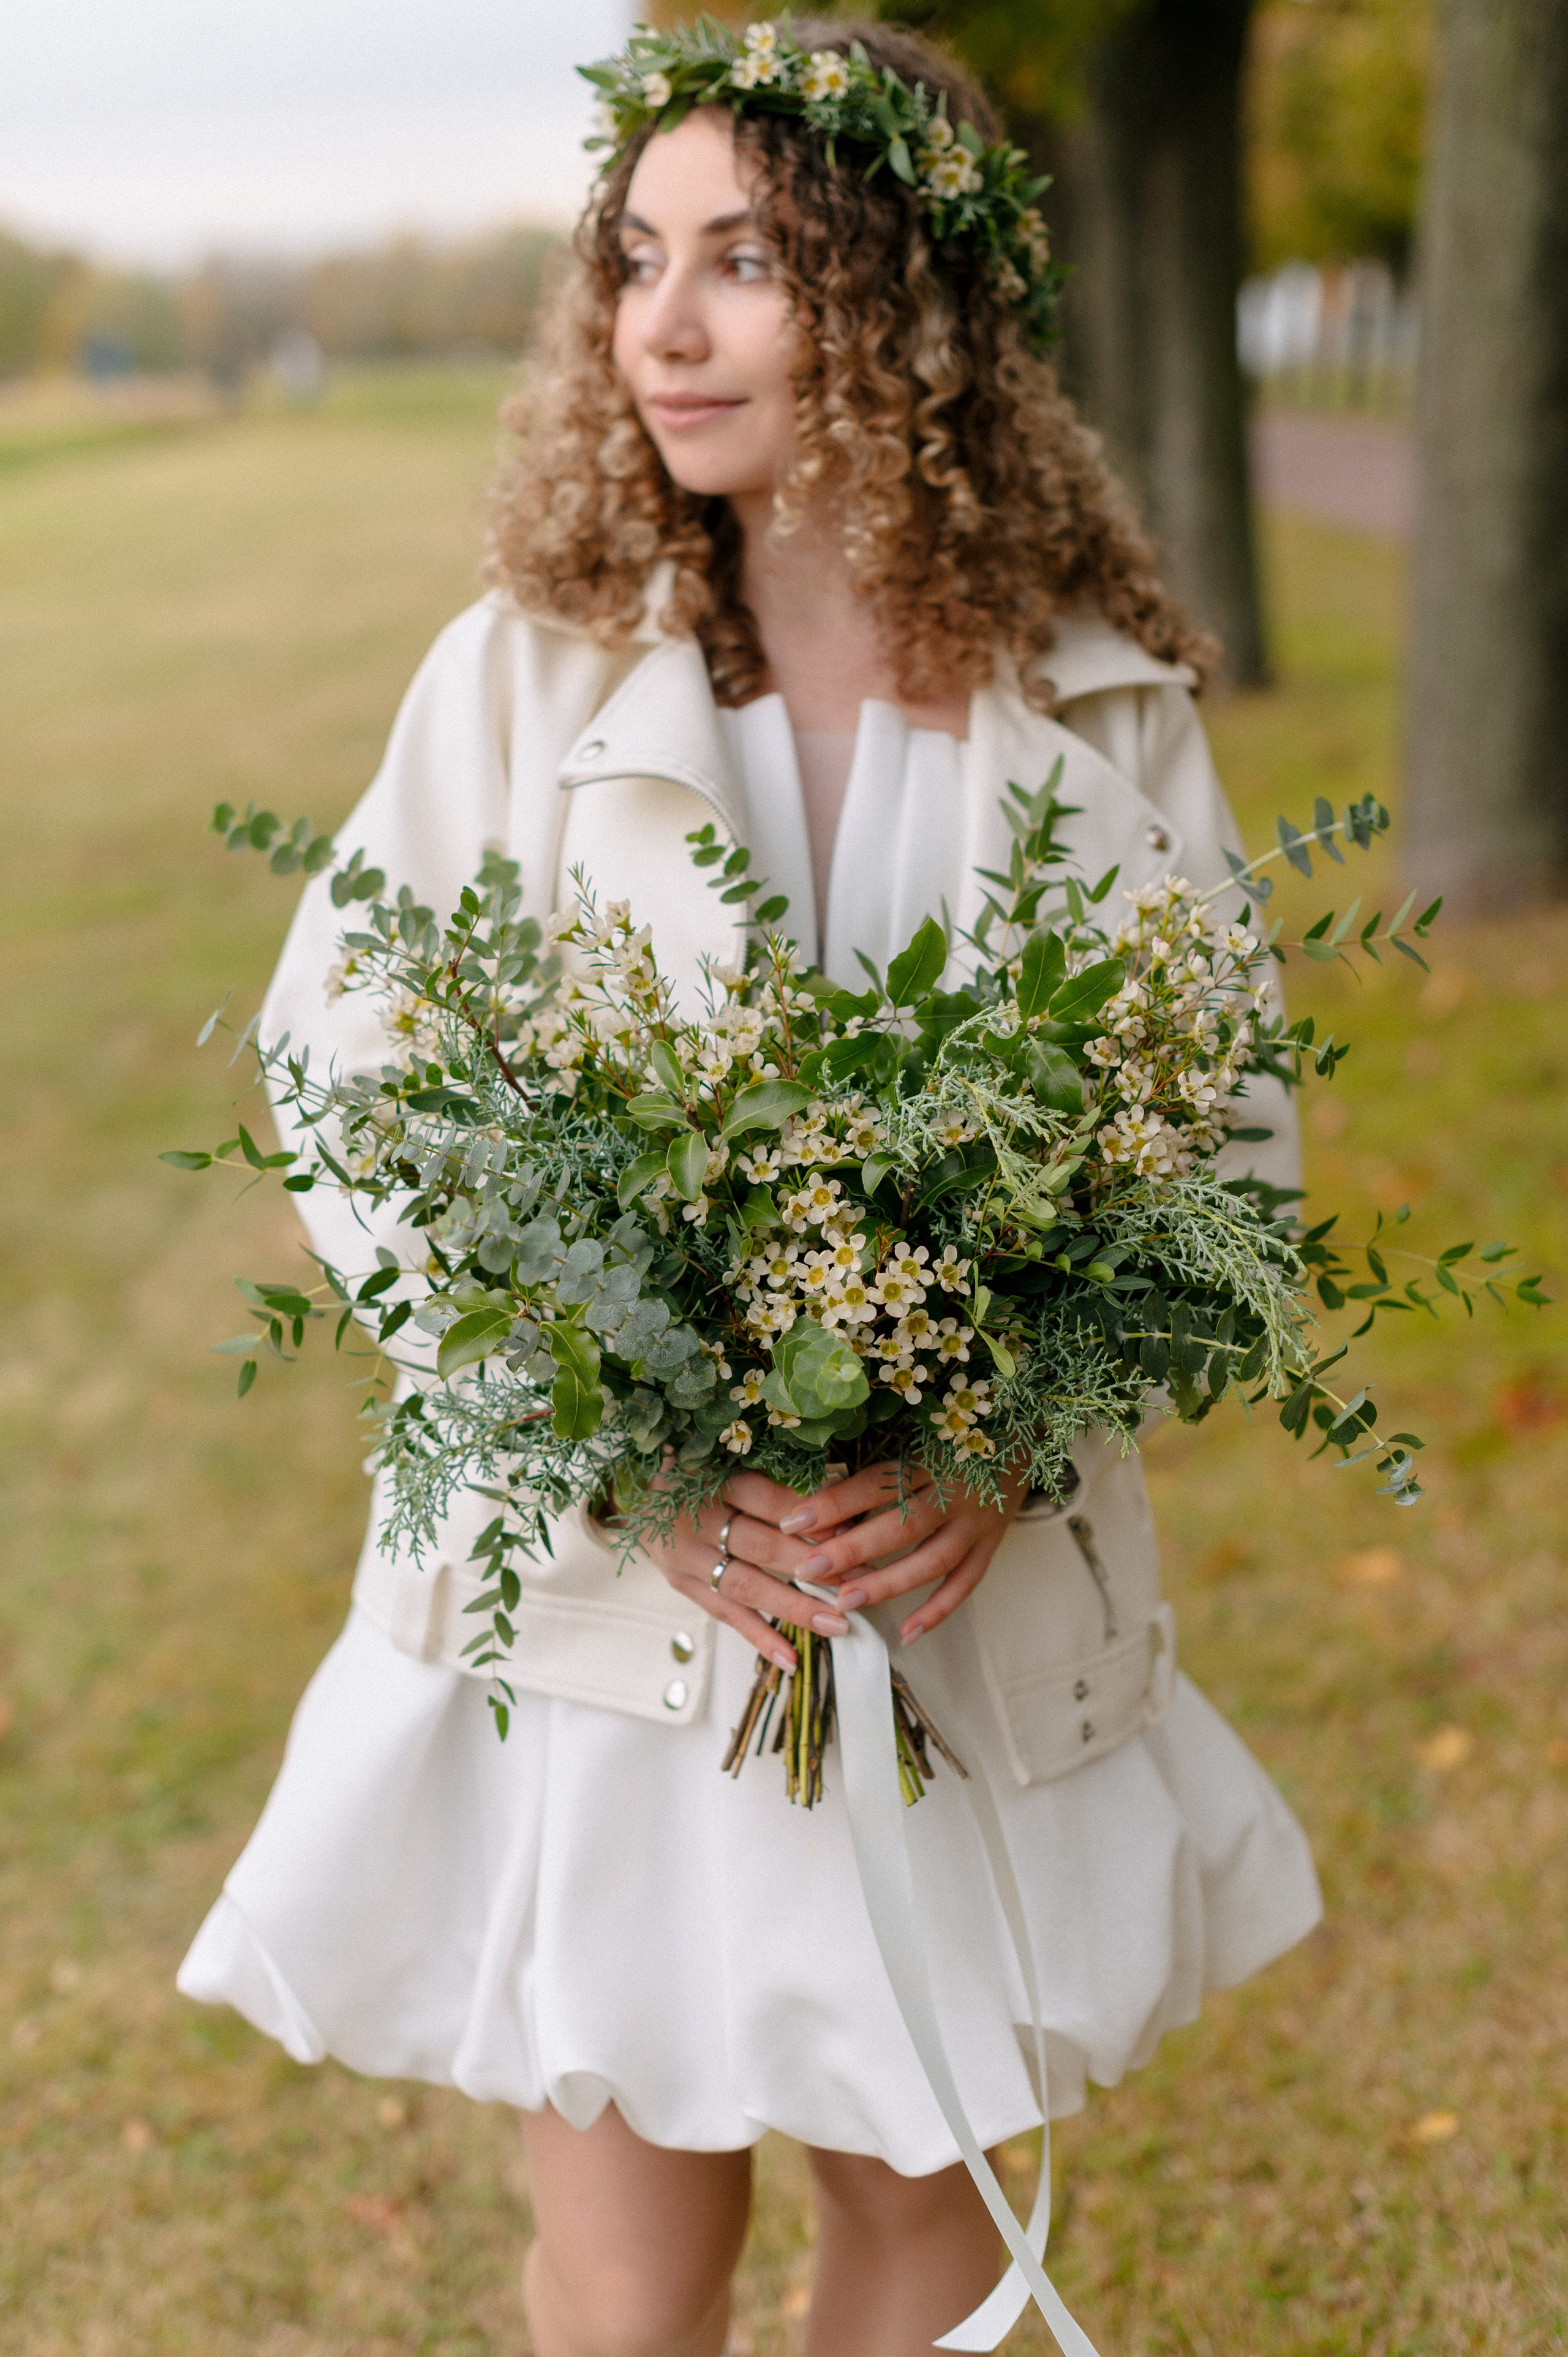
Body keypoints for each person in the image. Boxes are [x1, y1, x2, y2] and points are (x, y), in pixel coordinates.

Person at [178, 21, 1322, 2356]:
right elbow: (358, 1077)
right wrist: (637, 1432)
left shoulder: (1101, 718)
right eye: (634, 261)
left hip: (945, 1619)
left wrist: (999, 1446)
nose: (661, 327)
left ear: (901, 304)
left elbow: (1226, 1166)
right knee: (628, 2248)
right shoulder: (525, 682)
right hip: (625, 1615)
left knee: (930, 2221)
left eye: (744, 264)